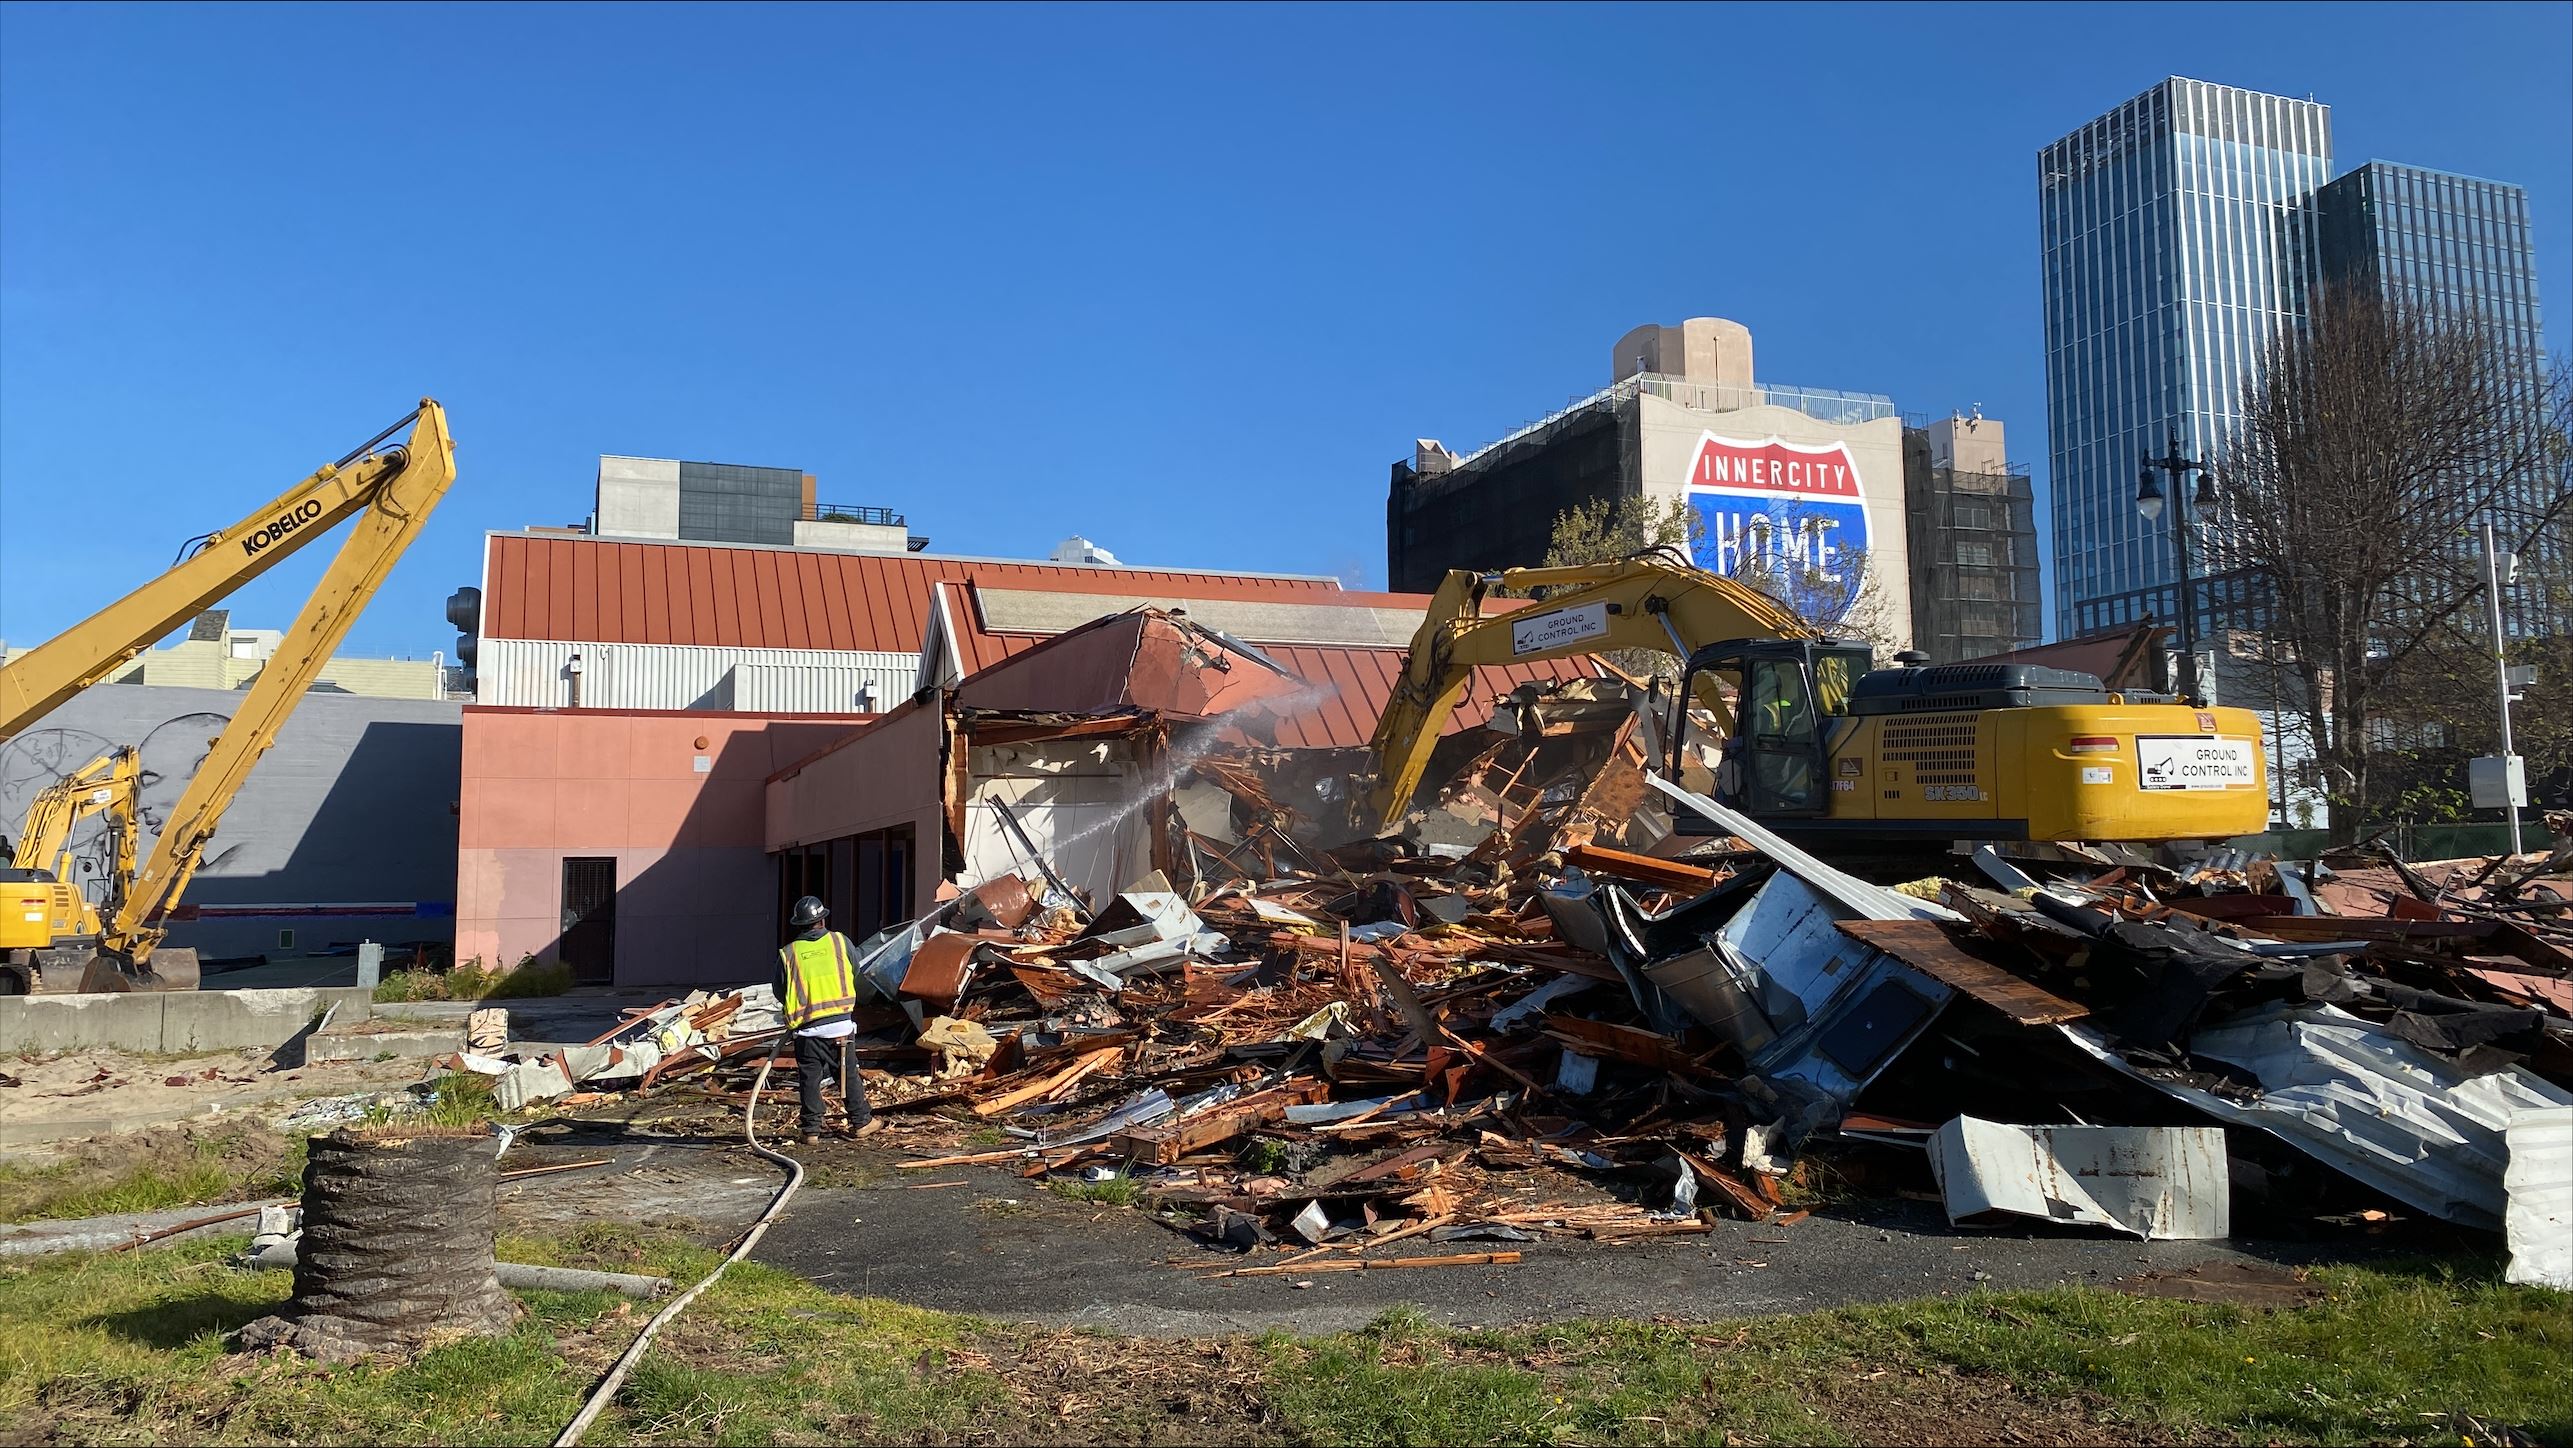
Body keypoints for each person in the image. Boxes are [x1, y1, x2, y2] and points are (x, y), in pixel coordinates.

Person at [773, 895, 879, 1145]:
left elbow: (780, 989)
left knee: (809, 1079)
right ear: (822, 920)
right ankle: (861, 1122)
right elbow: (856, 974)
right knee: (847, 1073)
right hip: (840, 1026)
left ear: (798, 924)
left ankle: (811, 1131)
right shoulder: (840, 942)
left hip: (807, 1029)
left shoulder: (789, 954)